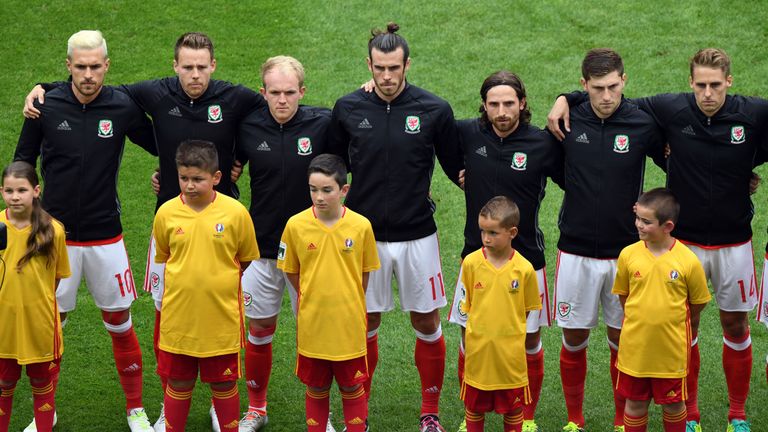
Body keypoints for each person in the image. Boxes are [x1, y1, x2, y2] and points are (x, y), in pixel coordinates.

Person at [21, 32, 267, 431]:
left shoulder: (232, 97)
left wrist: (235, 160)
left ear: (214, 66)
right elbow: (93, 94)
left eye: (202, 67)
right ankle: (163, 405)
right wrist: (44, 88)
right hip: (154, 225)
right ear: (174, 66)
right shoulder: (145, 94)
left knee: (223, 309)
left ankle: (217, 402)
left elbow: (271, 110)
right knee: (157, 314)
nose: (194, 74)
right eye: (186, 66)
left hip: (207, 223)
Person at [549, 48, 768, 432]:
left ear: (729, 83)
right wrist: (567, 98)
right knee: (684, 327)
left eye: (715, 85)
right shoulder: (666, 109)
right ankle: (689, 415)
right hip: (669, 247)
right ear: (690, 84)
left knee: (736, 325)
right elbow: (605, 104)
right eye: (700, 85)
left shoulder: (748, 113)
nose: (707, 93)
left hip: (734, 243)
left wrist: (746, 168)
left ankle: (737, 415)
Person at [14, 30, 157, 432]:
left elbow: (164, 141)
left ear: (107, 66)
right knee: (51, 324)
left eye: (96, 66)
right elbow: (23, 160)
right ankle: (46, 412)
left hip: (104, 235)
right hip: (51, 237)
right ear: (68, 66)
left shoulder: (122, 106)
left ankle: (135, 409)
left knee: (119, 320)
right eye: (81, 67)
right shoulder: (45, 104)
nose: (89, 74)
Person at [328, 22, 464, 432]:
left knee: (426, 321)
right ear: (368, 65)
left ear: (407, 65)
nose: (386, 77)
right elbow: (331, 167)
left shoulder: (434, 110)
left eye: (394, 68)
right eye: (379, 68)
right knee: (365, 323)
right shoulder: (348, 107)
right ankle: (358, 414)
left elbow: (459, 168)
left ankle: (430, 414)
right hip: (362, 238)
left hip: (417, 236)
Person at [546, 48, 665, 432]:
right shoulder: (567, 121)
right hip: (575, 250)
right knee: (574, 335)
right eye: (597, 88)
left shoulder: (643, 123)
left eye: (614, 86)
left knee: (622, 339)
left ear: (624, 81)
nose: (607, 96)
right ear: (585, 85)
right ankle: (574, 420)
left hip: (626, 254)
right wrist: (568, 99)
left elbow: (678, 161)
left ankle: (620, 420)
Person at [447, 71, 563, 432]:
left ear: (522, 103)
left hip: (528, 260)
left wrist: (567, 98)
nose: (501, 111)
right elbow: (440, 146)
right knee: (469, 333)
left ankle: (526, 416)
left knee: (529, 338)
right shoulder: (467, 133)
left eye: (509, 103)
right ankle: (472, 414)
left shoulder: (543, 144)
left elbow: (577, 178)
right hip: (475, 258)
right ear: (484, 105)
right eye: (494, 103)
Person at [236, 56, 333, 432]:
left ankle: (320, 418)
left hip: (309, 253)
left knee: (313, 332)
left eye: (289, 92)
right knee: (258, 330)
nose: (282, 100)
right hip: (259, 248)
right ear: (263, 93)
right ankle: (257, 408)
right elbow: (222, 165)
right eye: (274, 92)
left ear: (302, 92)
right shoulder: (246, 127)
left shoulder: (323, 124)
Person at [152, 140, 259, 432]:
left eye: (197, 179)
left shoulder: (236, 213)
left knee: (224, 382)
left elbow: (245, 259)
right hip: (179, 320)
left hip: (221, 319)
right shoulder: (166, 214)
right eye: (184, 178)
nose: (189, 185)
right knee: (178, 382)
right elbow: (165, 256)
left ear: (216, 178)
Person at [277, 153, 380, 432]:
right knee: (317, 386)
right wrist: (312, 298)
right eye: (313, 189)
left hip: (348, 325)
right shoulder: (295, 225)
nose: (319, 197)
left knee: (351, 385)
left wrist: (347, 301)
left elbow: (364, 275)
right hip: (313, 325)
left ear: (343, 190)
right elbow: (291, 271)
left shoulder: (361, 227)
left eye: (326, 190)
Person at [612, 188, 710, 432]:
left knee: (674, 406)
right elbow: (624, 295)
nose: (639, 225)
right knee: (634, 404)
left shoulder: (687, 260)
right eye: (638, 219)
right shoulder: (628, 255)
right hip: (635, 351)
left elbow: (698, 302)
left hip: (671, 352)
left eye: (646, 222)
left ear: (667, 226)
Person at [458, 196, 541, 432]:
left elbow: (525, 310)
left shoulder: (524, 269)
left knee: (513, 412)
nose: (485, 238)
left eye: (493, 233)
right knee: (474, 410)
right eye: (483, 231)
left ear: (512, 232)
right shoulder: (471, 263)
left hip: (510, 361)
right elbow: (469, 306)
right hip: (479, 358)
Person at [0, 162, 70, 432]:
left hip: (40, 323)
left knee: (42, 384)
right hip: (4, 323)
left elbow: (57, 277)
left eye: (21, 190)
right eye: (9, 190)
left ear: (36, 190)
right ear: (2, 192)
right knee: (4, 385)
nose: (15, 196)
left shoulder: (54, 231)